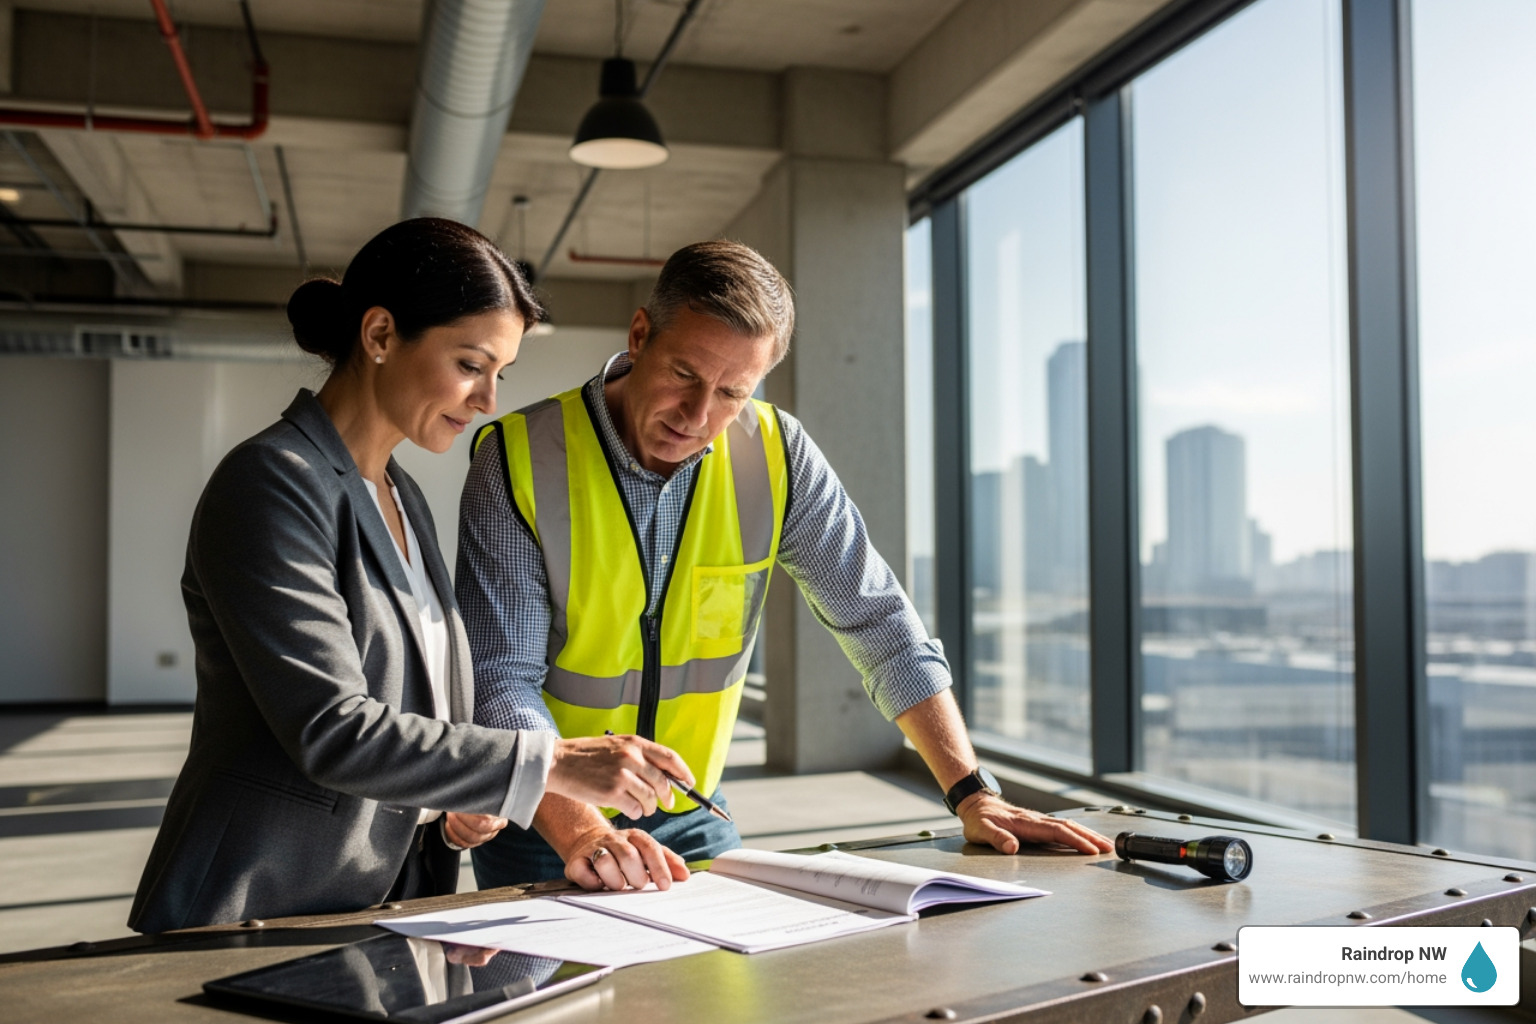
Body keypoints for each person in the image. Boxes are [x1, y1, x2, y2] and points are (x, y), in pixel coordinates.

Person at [456, 239, 1113, 894]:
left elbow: (878, 622)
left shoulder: (779, 457)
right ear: (639, 335)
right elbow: (502, 679)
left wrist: (973, 792)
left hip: (695, 816)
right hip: (548, 824)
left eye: (731, 393)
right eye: (684, 374)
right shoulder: (519, 459)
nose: (699, 416)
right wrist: (587, 833)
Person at [129, 219, 695, 935]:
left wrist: (448, 805)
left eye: (500, 374)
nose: (489, 398)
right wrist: (550, 761)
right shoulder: (272, 483)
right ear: (380, 336)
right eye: (469, 364)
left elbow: (412, 712)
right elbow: (333, 730)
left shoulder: (404, 497)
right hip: (253, 908)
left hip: (382, 910)